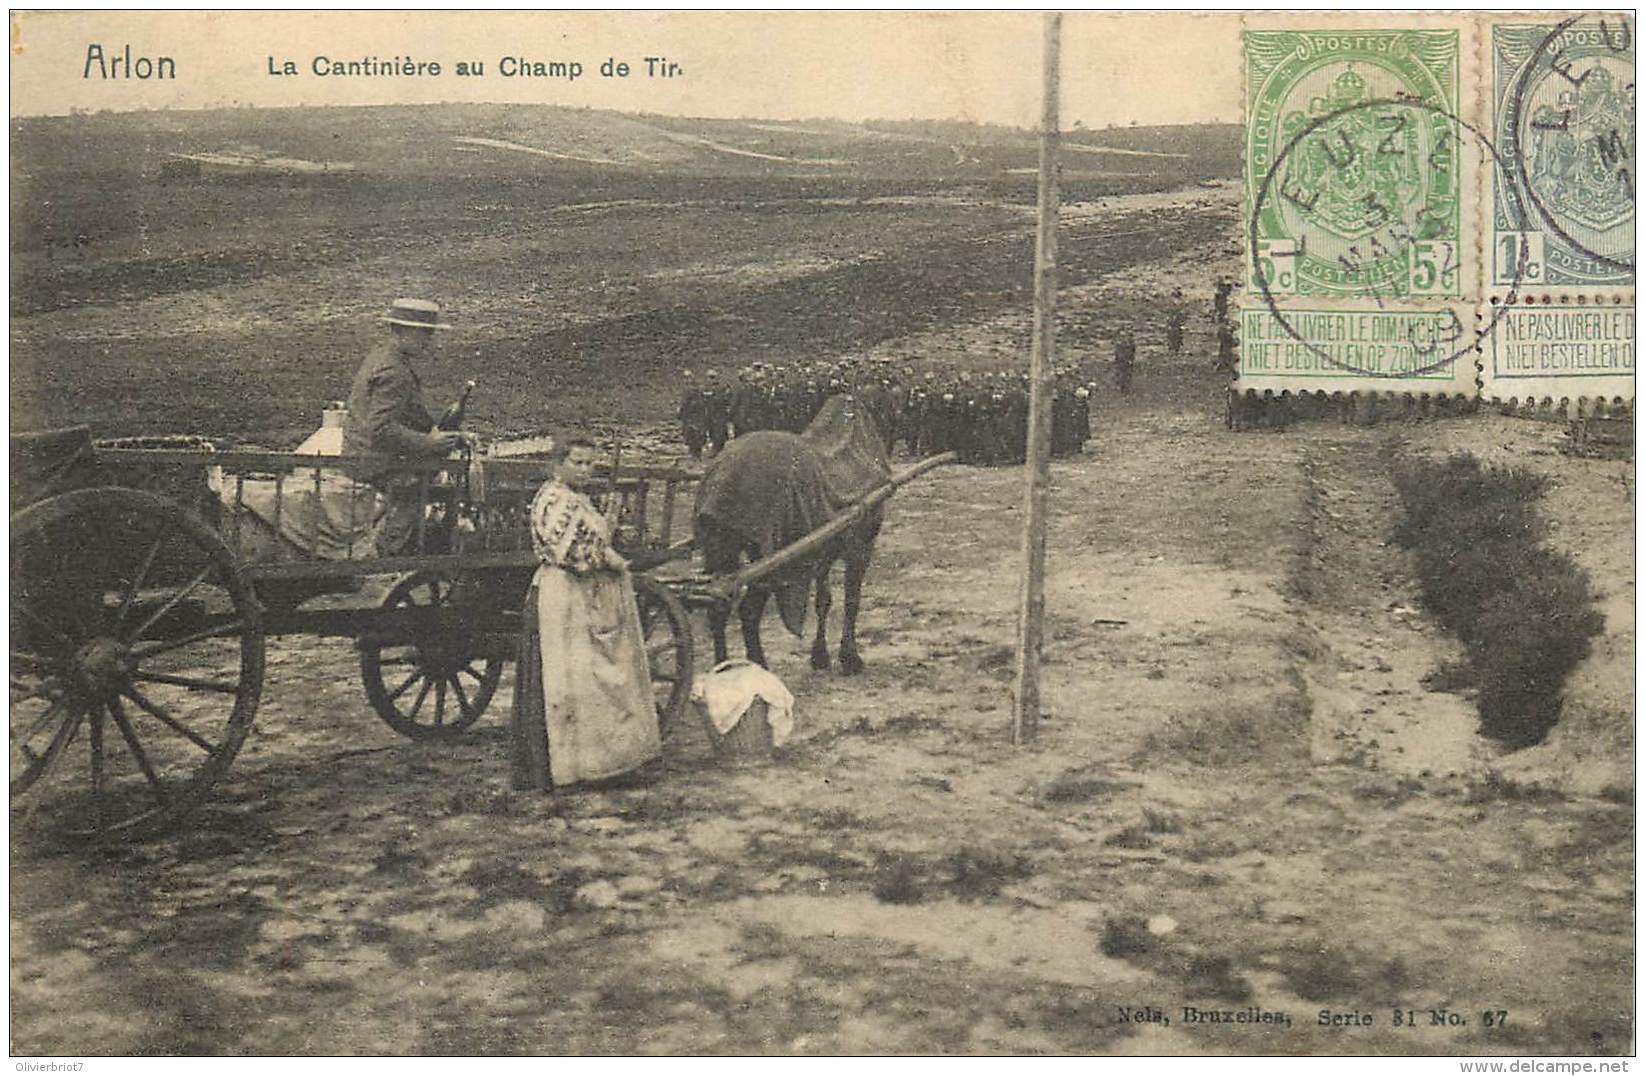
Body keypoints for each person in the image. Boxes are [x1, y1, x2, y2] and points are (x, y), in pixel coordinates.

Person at [510, 437, 661, 791]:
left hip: (587, 596)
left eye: (589, 463)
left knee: (596, 679)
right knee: (572, 678)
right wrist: (612, 558)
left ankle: (606, 762)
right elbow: (575, 555)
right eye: (577, 462)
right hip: (565, 596)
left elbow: (593, 542)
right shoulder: (553, 500)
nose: (583, 469)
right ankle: (572, 768)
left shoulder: (578, 499)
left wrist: (606, 531)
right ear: (558, 464)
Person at [342, 298, 466, 553]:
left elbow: (404, 415)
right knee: (416, 487)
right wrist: (428, 443)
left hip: (359, 453)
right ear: (404, 331)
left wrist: (433, 430)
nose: (428, 341)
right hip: (372, 460)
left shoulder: (382, 356)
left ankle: (375, 542)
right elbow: (381, 429)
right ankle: (382, 555)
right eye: (425, 334)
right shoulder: (394, 371)